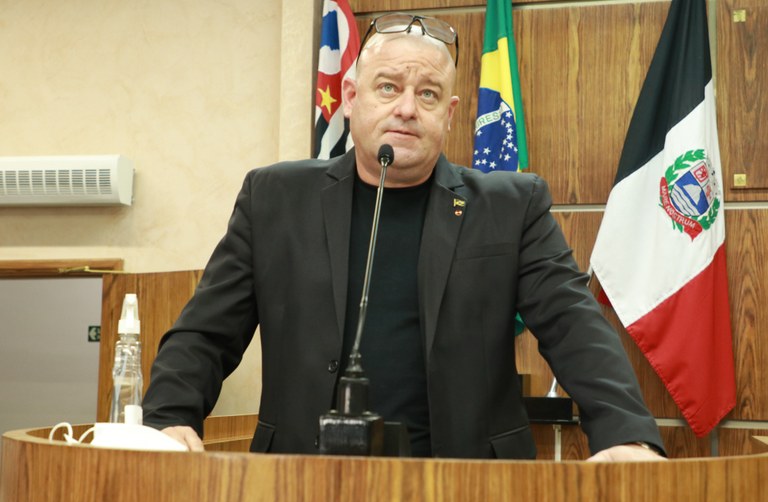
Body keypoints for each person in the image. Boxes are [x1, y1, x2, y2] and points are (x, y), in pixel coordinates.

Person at [142, 13, 665, 461]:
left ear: (450, 114)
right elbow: (206, 333)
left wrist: (627, 433)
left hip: (465, 484)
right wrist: (167, 418)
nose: (407, 108)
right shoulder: (274, 199)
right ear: (352, 98)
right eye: (389, 87)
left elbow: (573, 326)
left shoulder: (510, 206)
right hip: (302, 480)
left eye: (427, 94)